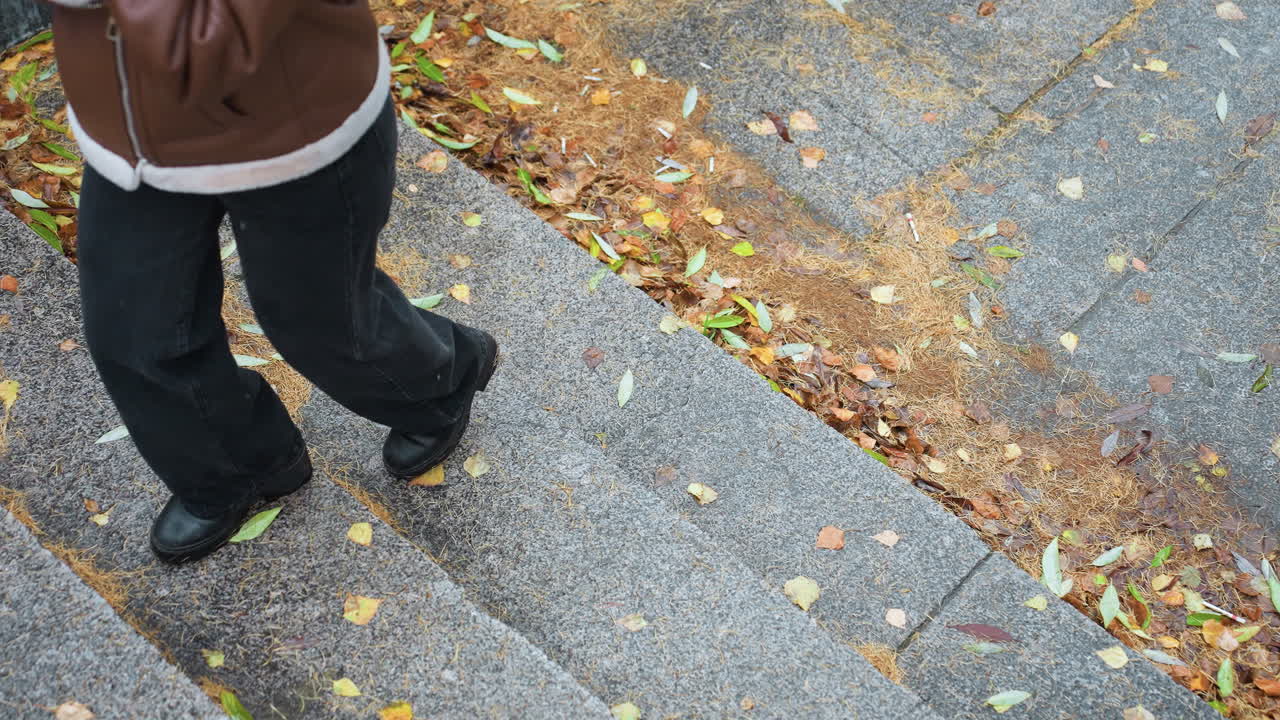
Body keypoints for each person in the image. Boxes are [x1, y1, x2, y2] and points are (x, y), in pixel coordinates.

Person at [44, 0, 497, 563]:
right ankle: (239, 467)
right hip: (130, 126)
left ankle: (440, 381)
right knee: (132, 328)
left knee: (321, 319)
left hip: (289, 119)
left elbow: (218, 45)